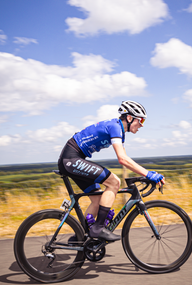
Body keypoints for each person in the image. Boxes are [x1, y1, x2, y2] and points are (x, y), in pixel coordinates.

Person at [58, 100, 165, 242]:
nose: (141, 125)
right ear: (129, 117)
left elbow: (126, 158)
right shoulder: (115, 127)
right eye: (140, 120)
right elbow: (122, 159)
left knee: (97, 199)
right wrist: (149, 174)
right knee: (114, 182)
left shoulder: (118, 130)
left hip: (74, 159)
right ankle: (98, 228)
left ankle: (81, 238)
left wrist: (145, 174)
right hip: (70, 159)